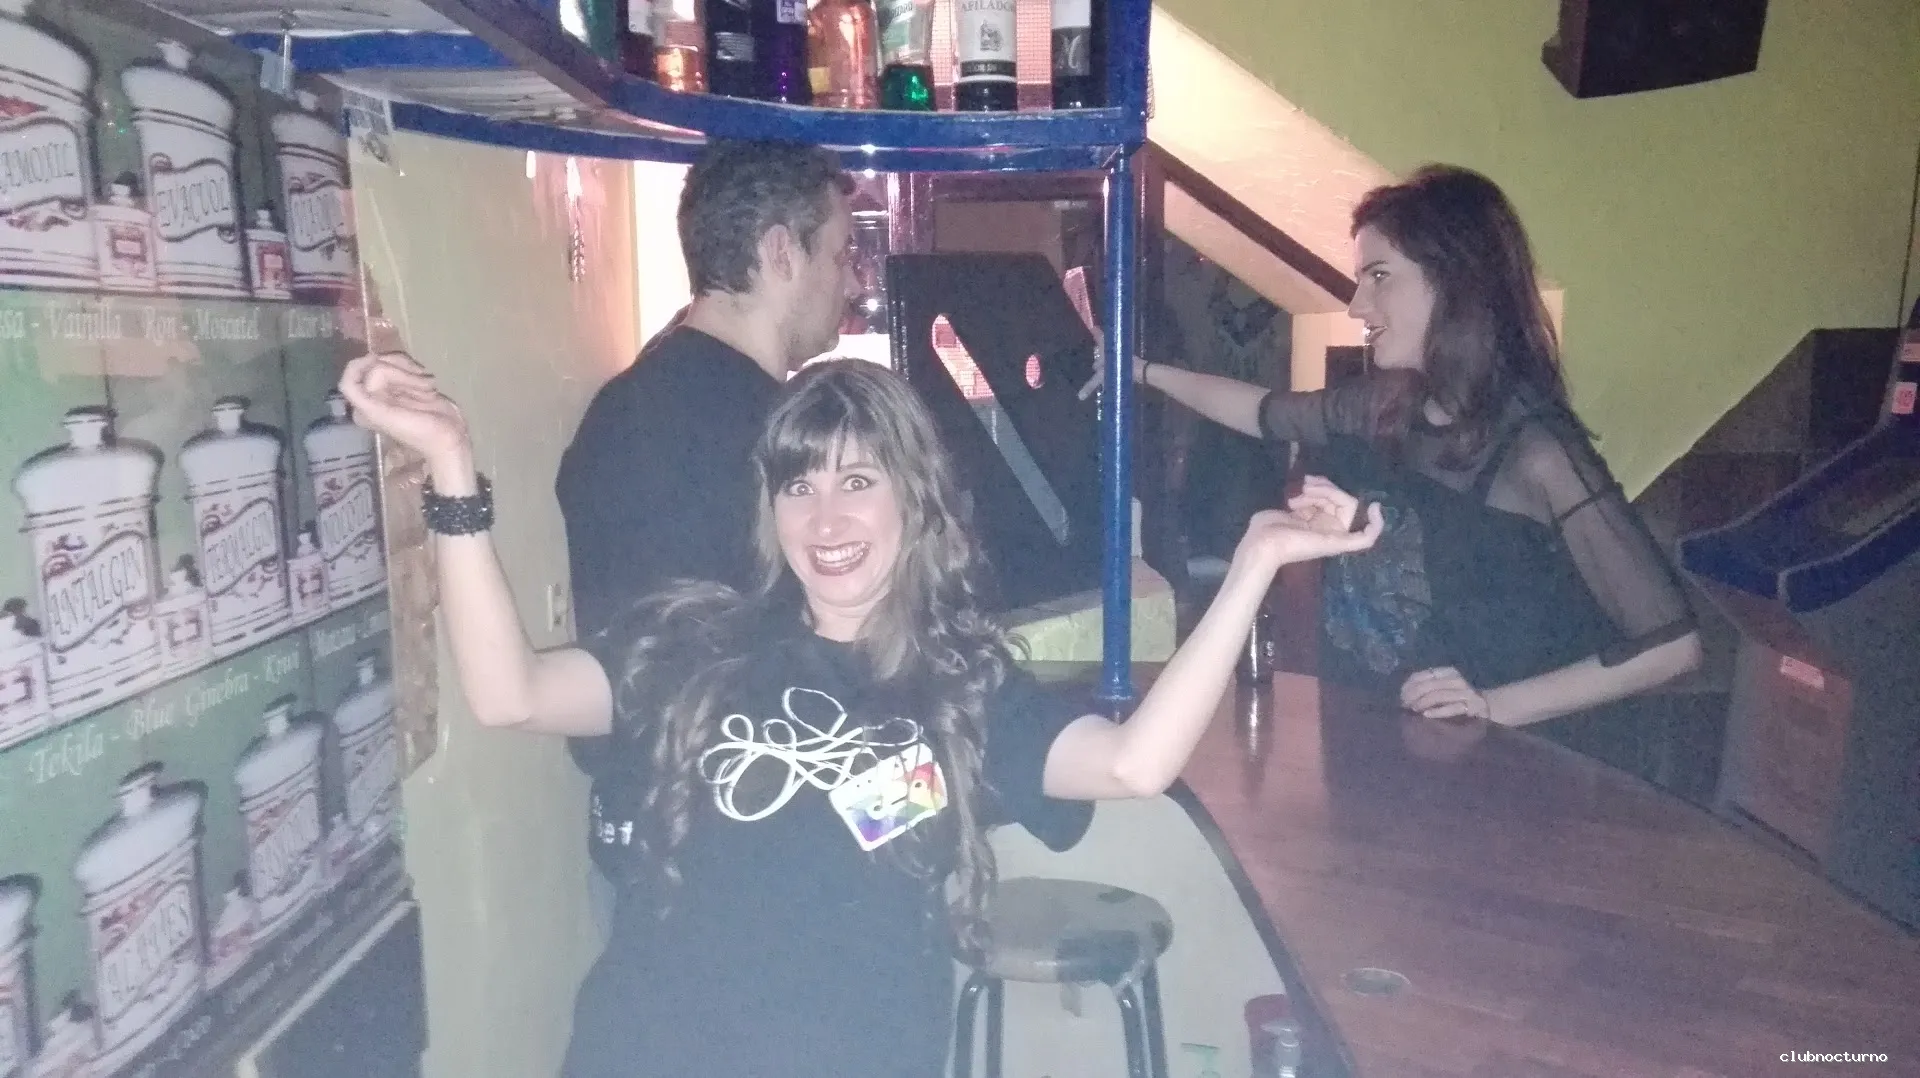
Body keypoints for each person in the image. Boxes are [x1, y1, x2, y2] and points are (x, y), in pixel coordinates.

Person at [338, 352, 1381, 1077]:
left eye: (858, 480)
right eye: (797, 486)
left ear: (914, 501)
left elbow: (1132, 764)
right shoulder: (700, 644)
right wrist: (452, 468)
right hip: (650, 1052)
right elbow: (510, 692)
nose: (825, 517)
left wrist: (1254, 564)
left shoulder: (961, 690)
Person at [1085, 164, 1701, 733]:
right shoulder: (1389, 404)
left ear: (1456, 282)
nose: (1357, 304)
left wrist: (1495, 706)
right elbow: (1262, 411)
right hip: (1381, 742)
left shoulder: (1534, 450)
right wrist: (1136, 370)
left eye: (1379, 277)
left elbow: (1672, 647)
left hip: (1495, 775)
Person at [555, 138, 859, 930]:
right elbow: (833, 670)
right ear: (781, 252)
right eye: (840, 255)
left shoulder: (621, 406)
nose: (853, 282)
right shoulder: (781, 437)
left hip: (638, 834)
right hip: (753, 859)